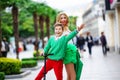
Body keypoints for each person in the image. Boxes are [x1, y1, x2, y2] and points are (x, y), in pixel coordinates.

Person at [56, 12, 83, 80]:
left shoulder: (66, 28)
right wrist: (77, 30)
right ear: (59, 20)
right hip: (67, 52)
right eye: (61, 18)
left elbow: (70, 41)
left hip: (71, 52)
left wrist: (75, 48)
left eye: (65, 18)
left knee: (69, 75)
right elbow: (64, 40)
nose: (63, 19)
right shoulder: (59, 29)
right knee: (73, 74)